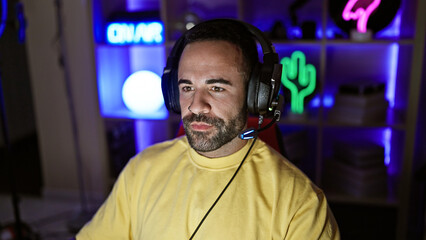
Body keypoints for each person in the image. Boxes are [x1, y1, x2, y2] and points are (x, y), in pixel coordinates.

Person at [76, 19, 340, 239]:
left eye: (217, 88)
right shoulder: (142, 170)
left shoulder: (301, 202)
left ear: (255, 96)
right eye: (187, 87)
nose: (196, 105)